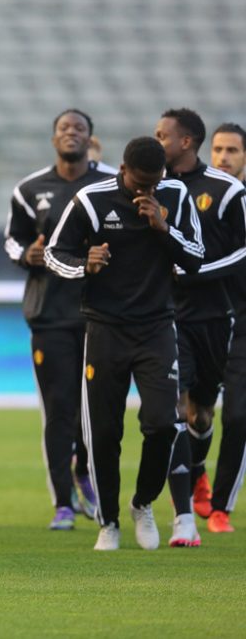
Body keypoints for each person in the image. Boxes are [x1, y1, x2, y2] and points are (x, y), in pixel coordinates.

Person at [45, 137, 203, 551]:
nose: (146, 192)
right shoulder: (91, 200)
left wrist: (163, 228)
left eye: (154, 183)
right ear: (123, 170)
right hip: (104, 330)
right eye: (140, 184)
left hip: (155, 328)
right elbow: (54, 254)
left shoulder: (176, 194)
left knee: (163, 424)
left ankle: (142, 503)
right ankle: (109, 522)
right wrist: (85, 264)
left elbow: (196, 256)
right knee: (103, 432)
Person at [4, 109, 116, 530]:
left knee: (98, 407)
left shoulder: (109, 184)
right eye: (64, 128)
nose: (71, 133)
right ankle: (62, 503)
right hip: (49, 314)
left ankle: (86, 474)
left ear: (91, 138)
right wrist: (26, 255)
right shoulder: (31, 189)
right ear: (54, 139)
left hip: (99, 314)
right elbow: (13, 242)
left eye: (80, 128)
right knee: (59, 410)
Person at [155, 109, 245, 537]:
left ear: (185, 141)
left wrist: (199, 270)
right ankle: (182, 511)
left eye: (163, 135)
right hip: (169, 314)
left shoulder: (226, 191)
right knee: (175, 406)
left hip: (215, 315)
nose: (158, 141)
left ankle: (198, 470)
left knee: (202, 413)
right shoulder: (153, 185)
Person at [199, 122, 246, 532]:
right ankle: (196, 471)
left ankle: (219, 508)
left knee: (237, 416)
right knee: (191, 413)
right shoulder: (195, 197)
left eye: (232, 150)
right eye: (217, 149)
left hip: (241, 324)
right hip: (203, 319)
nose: (224, 157)